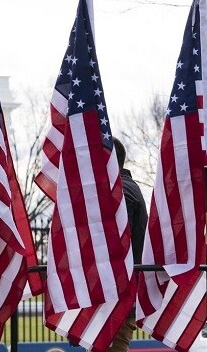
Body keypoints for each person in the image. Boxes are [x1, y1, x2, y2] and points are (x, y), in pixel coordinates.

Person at [107, 137, 148, 352]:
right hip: (123, 291)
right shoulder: (129, 188)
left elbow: (116, 246)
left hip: (118, 292)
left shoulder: (120, 192)